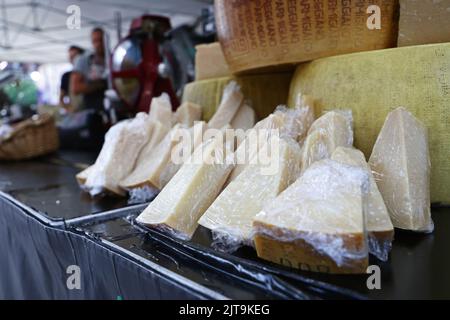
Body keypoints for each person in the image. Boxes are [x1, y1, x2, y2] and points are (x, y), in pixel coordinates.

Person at [70, 27, 107, 111]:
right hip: (92, 109)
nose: (98, 44)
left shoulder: (111, 58)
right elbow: (75, 88)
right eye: (95, 41)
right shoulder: (84, 59)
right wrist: (100, 84)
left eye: (101, 40)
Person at [59, 45, 84, 112]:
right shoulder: (66, 76)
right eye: (71, 57)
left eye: (75, 56)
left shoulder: (91, 74)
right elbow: (61, 99)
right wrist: (69, 109)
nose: (73, 59)